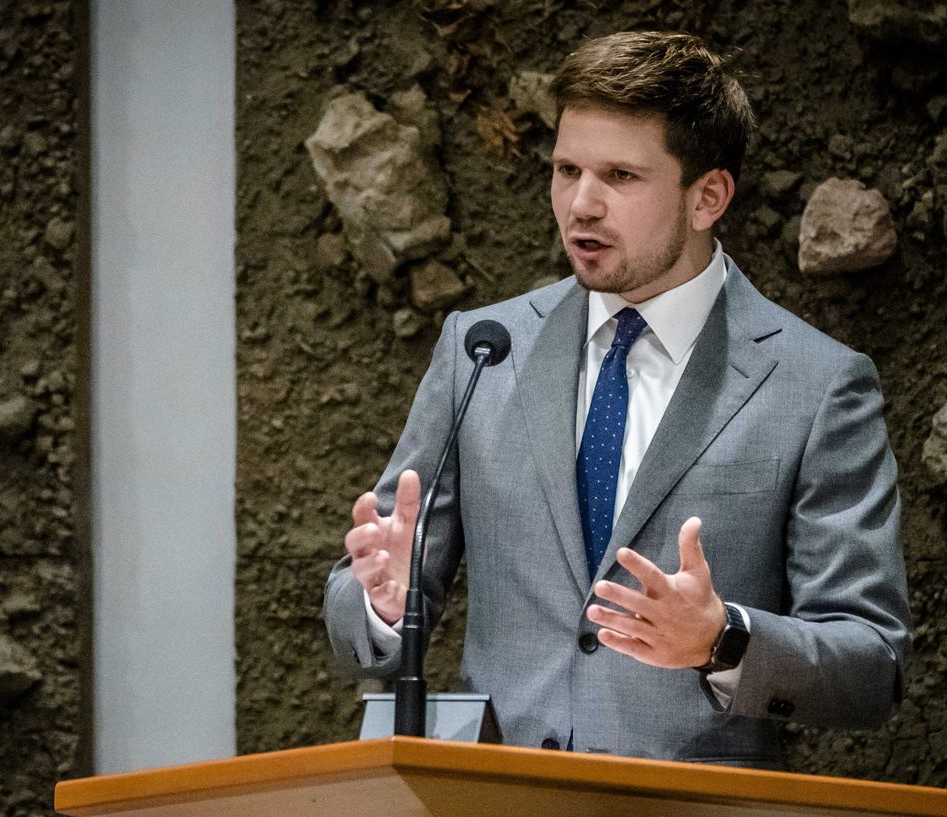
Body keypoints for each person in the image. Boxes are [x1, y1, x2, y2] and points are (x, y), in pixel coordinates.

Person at [323, 30, 910, 768]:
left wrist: (720, 638)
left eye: (621, 176)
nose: (581, 204)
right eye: (567, 169)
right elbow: (360, 609)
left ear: (709, 197)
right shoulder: (481, 348)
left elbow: (872, 665)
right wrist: (381, 600)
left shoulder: (817, 384)